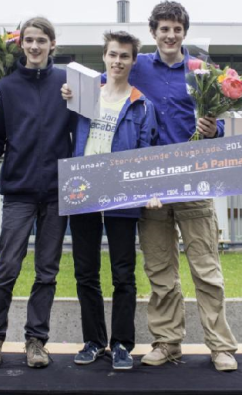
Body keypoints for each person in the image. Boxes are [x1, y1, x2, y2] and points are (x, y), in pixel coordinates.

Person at [62, 0, 239, 372]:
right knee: (160, 272)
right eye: (164, 29)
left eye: (177, 29)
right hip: (149, 186)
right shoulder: (137, 65)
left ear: (184, 33)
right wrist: (71, 92)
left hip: (193, 180)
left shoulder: (202, 72)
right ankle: (167, 342)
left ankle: (220, 347)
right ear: (154, 32)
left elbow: (220, 123)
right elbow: (107, 81)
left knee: (206, 270)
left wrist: (215, 128)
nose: (170, 35)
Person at [0, 16, 76, 369]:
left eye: (41, 41)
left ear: (52, 46)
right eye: (29, 40)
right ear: (21, 44)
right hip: (18, 192)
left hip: (58, 192)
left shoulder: (67, 83)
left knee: (47, 271)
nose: (34, 46)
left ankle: (36, 342)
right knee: (8, 268)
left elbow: (87, 129)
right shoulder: (6, 87)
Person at [70, 31, 158, 371]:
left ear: (133, 61)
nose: (117, 61)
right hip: (83, 189)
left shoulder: (142, 104)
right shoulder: (82, 96)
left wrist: (150, 190)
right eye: (112, 55)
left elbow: (148, 150)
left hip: (122, 191)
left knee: (124, 273)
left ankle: (122, 344)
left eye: (124, 56)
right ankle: (94, 341)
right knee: (85, 272)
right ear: (104, 58)